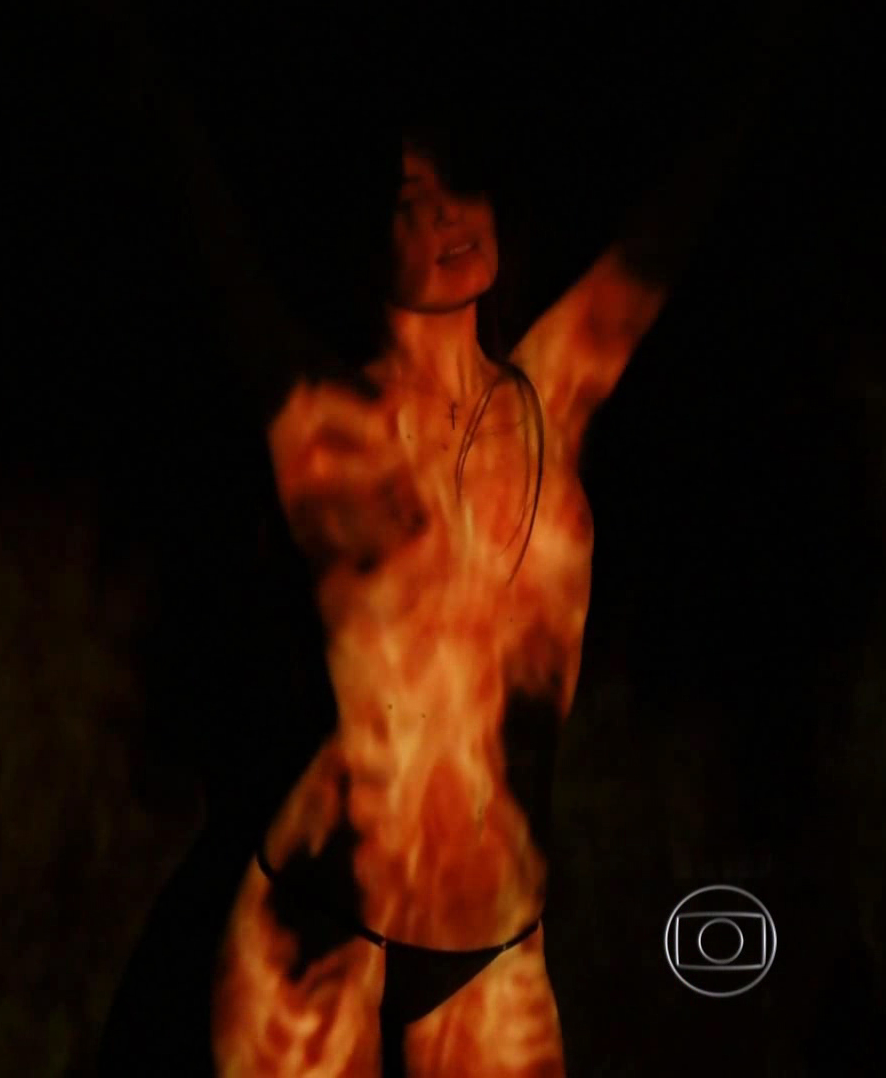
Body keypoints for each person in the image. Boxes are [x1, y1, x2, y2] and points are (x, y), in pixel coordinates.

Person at [207, 122, 691, 1076]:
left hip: (493, 942)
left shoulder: (550, 394)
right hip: (315, 934)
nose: (444, 216)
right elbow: (214, 245)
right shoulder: (322, 419)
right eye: (407, 203)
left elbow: (665, 234)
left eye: (456, 184)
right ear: (362, 241)